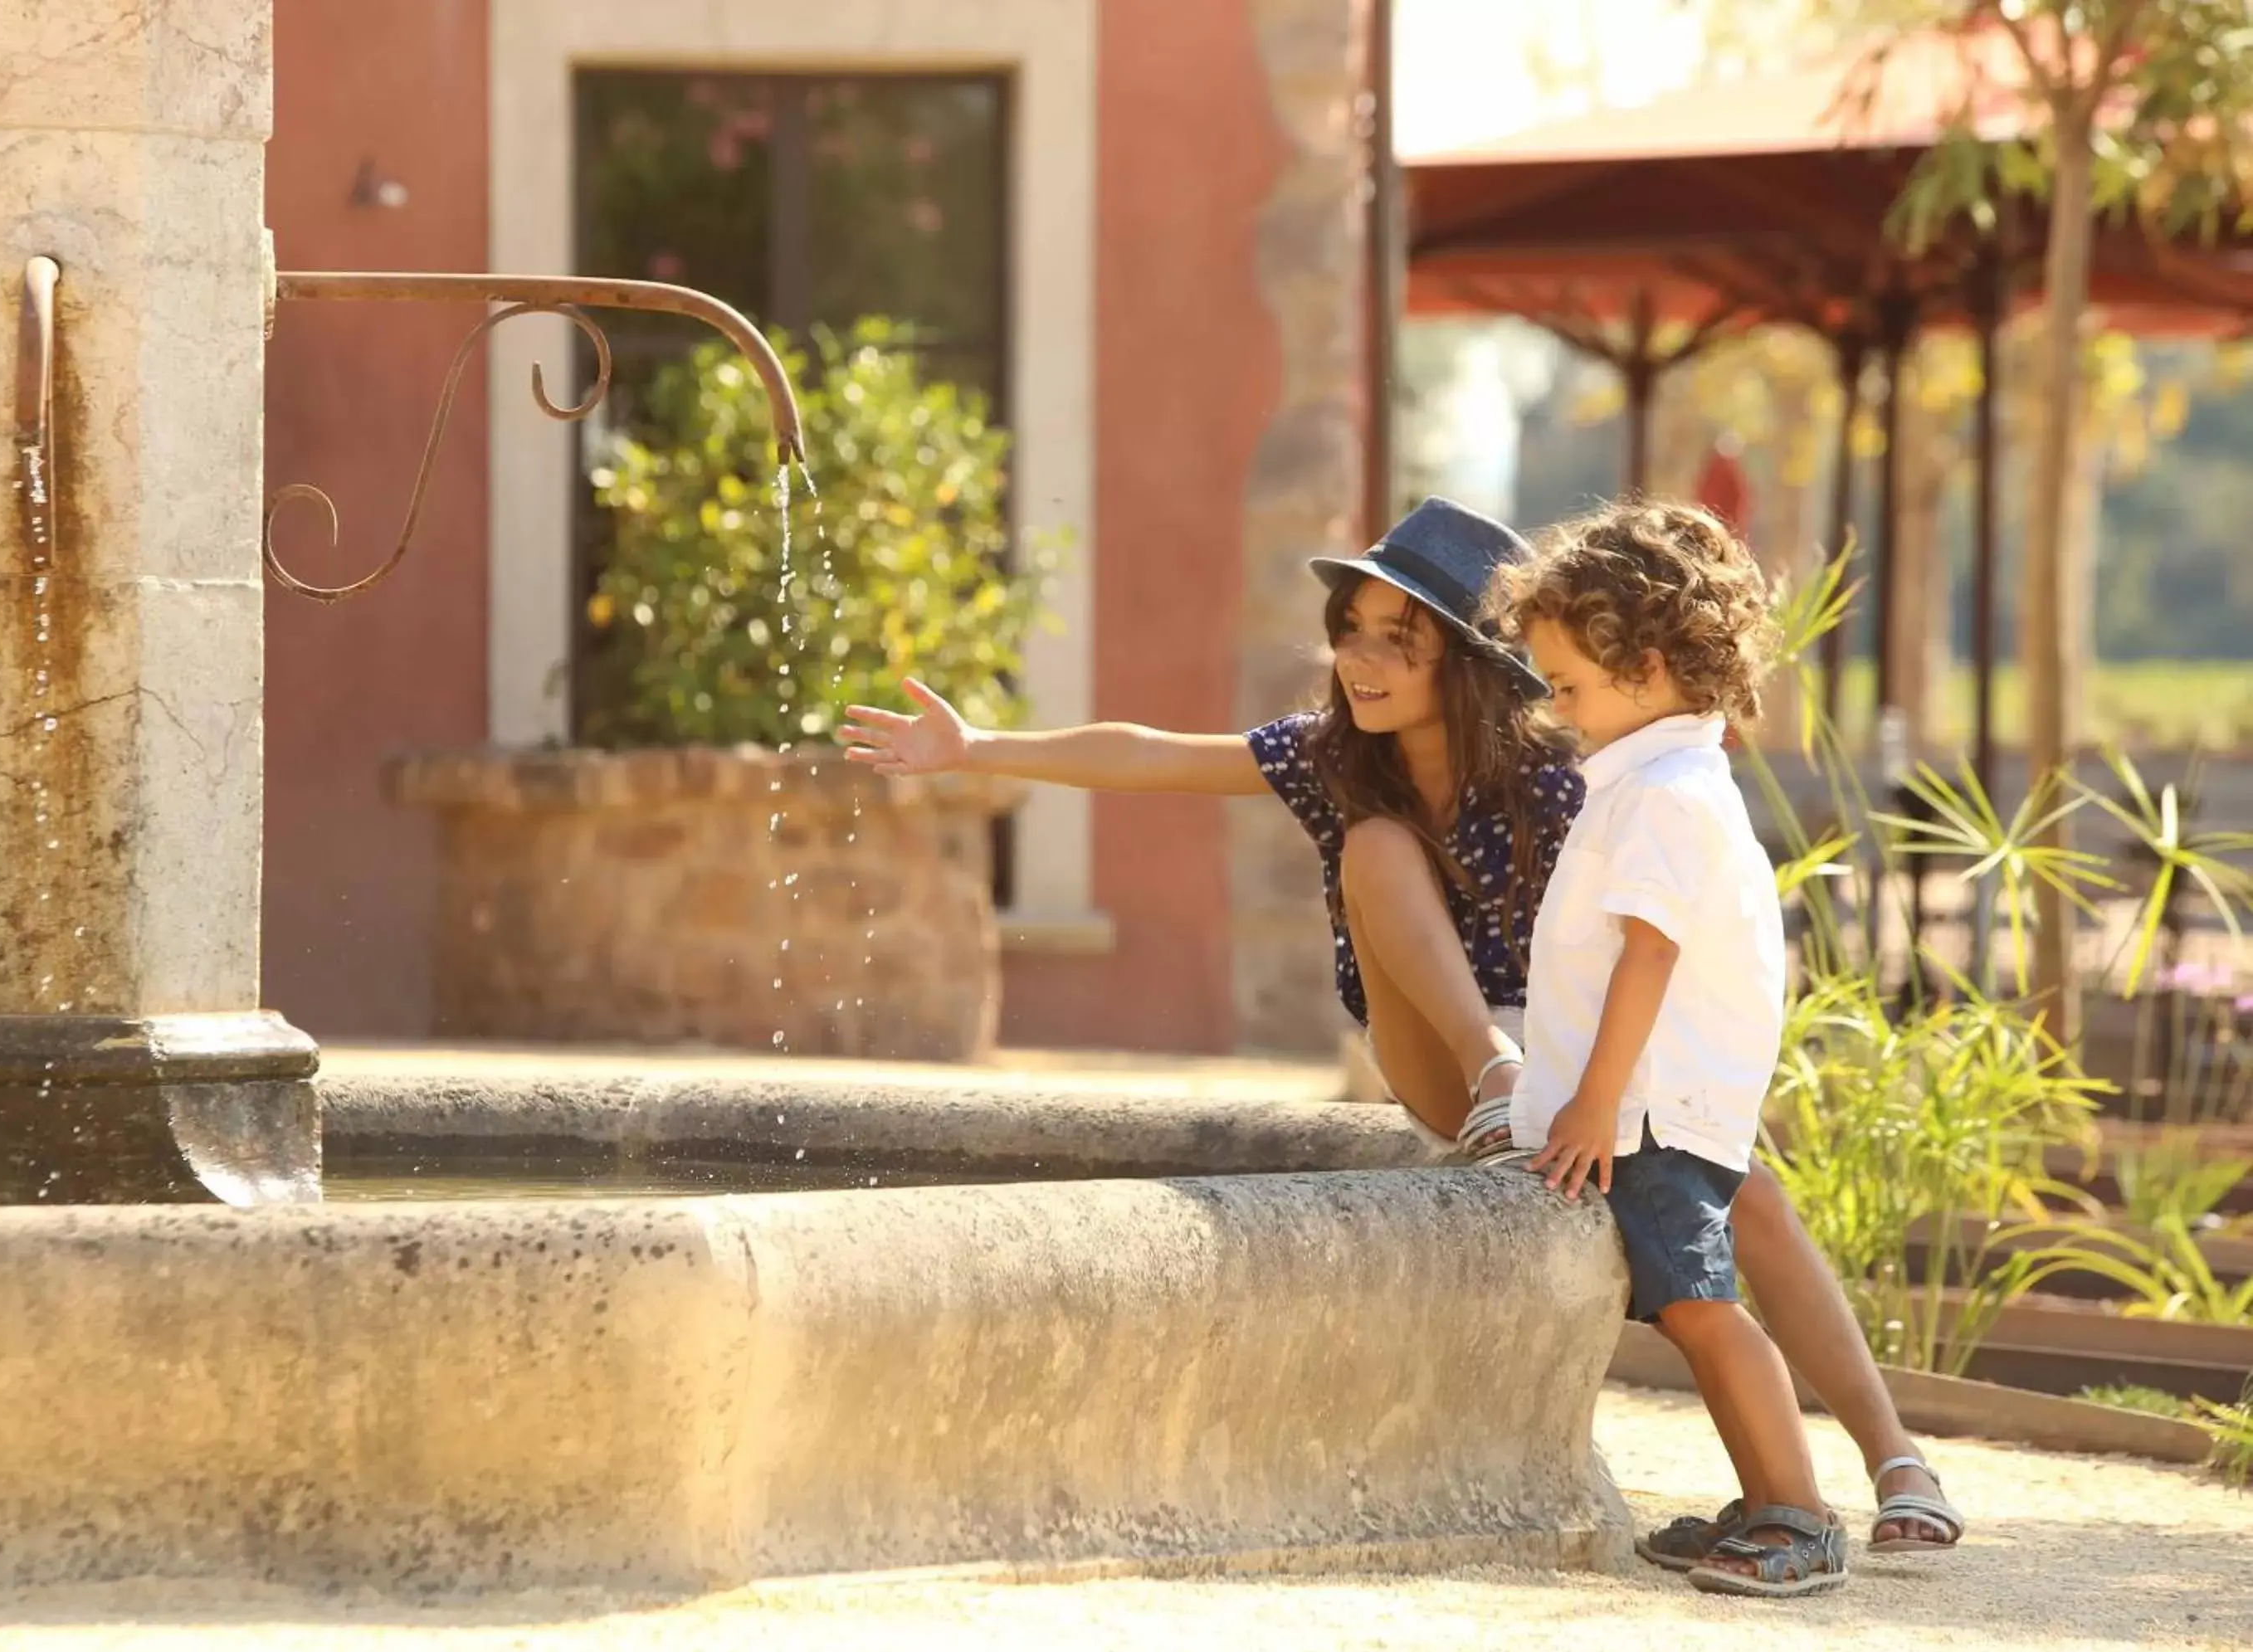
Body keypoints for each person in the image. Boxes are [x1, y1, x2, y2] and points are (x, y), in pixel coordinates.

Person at [837, 495, 1963, 1558]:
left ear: (1473, 662)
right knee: (1373, 841)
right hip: (1461, 1051)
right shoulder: (1339, 760)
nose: (1359, 663)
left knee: (1746, 1188)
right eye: (1351, 632)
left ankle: (1896, 1459)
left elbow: (1656, 942)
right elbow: (1152, 753)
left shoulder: (1572, 769)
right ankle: (1495, 1079)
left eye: (1397, 641)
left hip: (1586, 1050)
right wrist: (978, 746)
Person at [1500, 498, 1840, 1595]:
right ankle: (1766, 1496)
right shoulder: (1656, 781)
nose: (1555, 710)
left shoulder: (1665, 796)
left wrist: (1596, 1102)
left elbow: (1647, 957)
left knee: (1699, 1305)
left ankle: (1799, 1513)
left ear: (1646, 667)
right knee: (1691, 1303)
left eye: (1568, 686)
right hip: (1646, 1102)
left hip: (1646, 1109)